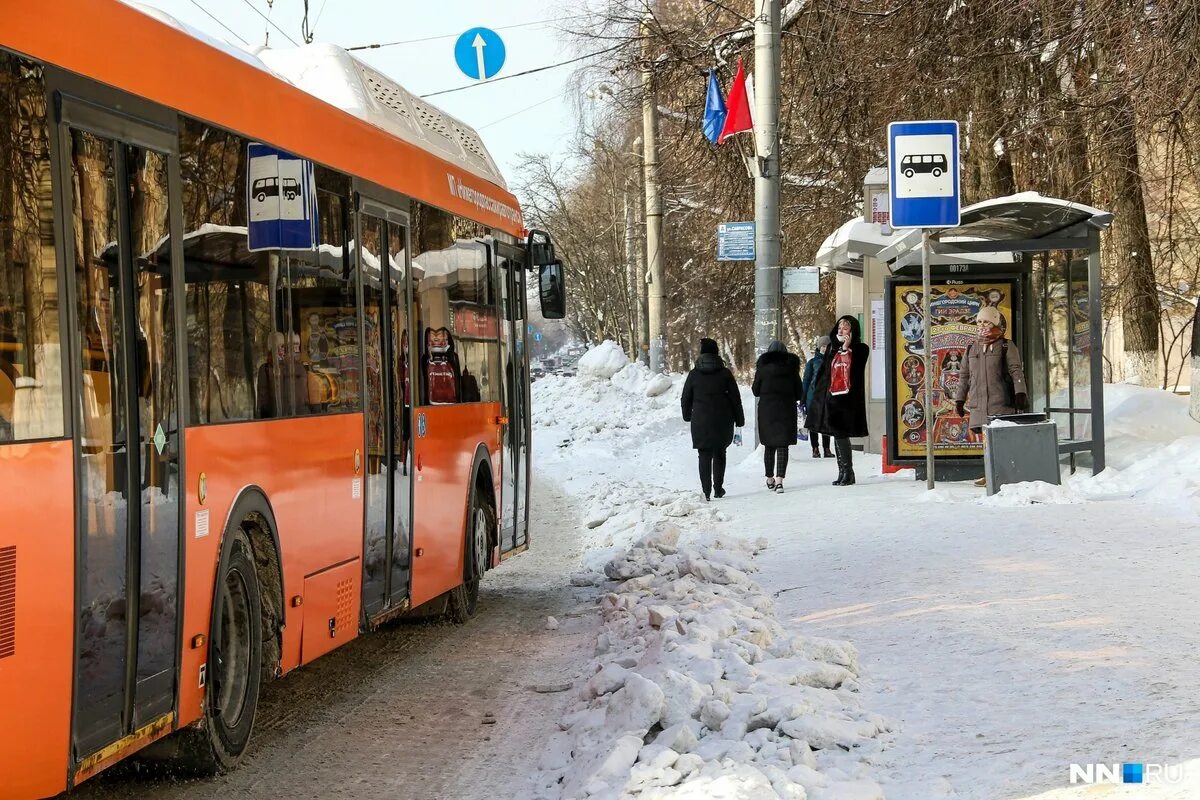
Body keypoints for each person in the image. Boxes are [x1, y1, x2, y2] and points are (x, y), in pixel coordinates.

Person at [954, 305, 1028, 487]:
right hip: (979, 406)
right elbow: (964, 375)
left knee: (1003, 442)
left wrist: (1020, 393)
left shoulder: (1005, 345)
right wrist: (959, 399)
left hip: (1001, 403)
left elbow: (1016, 371)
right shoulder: (971, 347)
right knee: (987, 444)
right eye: (979, 321)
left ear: (995, 322)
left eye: (986, 321)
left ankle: (1007, 475)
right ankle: (990, 474)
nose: (982, 325)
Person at [808, 316, 870, 486]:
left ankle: (848, 472)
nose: (841, 331)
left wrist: (846, 348)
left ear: (852, 331)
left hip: (846, 399)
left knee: (841, 434)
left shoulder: (860, 348)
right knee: (836, 434)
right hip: (829, 397)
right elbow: (824, 371)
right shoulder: (830, 347)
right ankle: (842, 471)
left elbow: (855, 372)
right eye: (840, 327)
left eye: (845, 328)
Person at [681, 338, 745, 501]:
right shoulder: (725, 374)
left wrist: (687, 415)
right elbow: (735, 398)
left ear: (701, 353)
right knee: (720, 453)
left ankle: (706, 491)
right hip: (722, 420)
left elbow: (685, 397)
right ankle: (718, 488)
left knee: (704, 454)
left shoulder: (694, 374)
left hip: (700, 420)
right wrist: (739, 419)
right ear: (716, 353)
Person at [752, 340, 803, 493]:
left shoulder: (762, 370)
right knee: (782, 445)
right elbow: (799, 392)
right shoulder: (791, 369)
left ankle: (769, 479)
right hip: (786, 410)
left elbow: (755, 390)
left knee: (769, 445)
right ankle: (780, 481)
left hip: (767, 410)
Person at [803, 336, 834, 459]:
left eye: (827, 346)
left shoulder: (833, 361)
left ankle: (826, 448)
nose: (825, 348)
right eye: (823, 346)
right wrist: (803, 398)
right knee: (813, 425)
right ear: (819, 347)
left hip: (827, 397)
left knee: (826, 423)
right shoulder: (812, 363)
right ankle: (815, 448)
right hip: (813, 397)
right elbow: (806, 381)